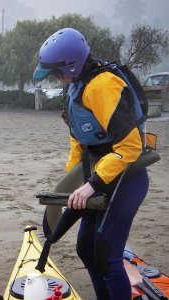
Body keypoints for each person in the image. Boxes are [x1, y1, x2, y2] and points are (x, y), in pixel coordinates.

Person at [33, 28, 149, 300]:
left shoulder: (102, 86)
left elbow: (131, 146)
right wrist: (73, 184)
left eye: (54, 72)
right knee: (86, 249)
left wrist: (91, 185)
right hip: (98, 177)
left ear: (71, 65)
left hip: (125, 179)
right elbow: (79, 144)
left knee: (106, 255)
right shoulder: (76, 86)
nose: (54, 78)